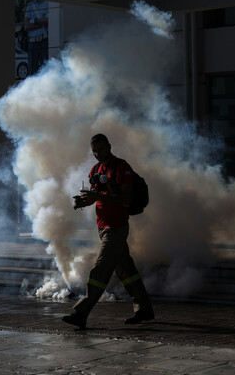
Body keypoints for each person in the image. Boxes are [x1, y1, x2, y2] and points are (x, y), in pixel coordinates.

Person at [63, 134, 154, 329]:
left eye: (101, 150)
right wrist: (83, 202)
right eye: (94, 151)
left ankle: (81, 312)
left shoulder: (122, 167)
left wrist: (97, 195)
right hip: (103, 228)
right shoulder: (95, 169)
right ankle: (144, 308)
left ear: (109, 147)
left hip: (116, 228)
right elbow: (96, 197)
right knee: (125, 270)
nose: (97, 154)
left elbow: (126, 200)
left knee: (100, 269)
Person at [23, 0, 48, 76]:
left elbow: (48, 21)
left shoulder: (47, 4)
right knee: (32, 70)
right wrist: (41, 23)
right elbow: (26, 26)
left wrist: (33, 21)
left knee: (45, 69)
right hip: (32, 42)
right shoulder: (30, 5)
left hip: (44, 40)